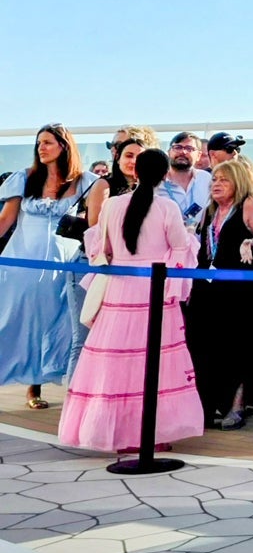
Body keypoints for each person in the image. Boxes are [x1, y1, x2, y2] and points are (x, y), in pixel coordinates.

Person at [59, 149, 206, 454]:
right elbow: (181, 249)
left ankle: (118, 432)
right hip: (155, 292)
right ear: (165, 174)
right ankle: (154, 432)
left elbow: (101, 246)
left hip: (119, 291)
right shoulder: (167, 207)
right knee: (155, 362)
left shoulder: (113, 205)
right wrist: (192, 236)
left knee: (115, 364)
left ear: (135, 172)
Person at [0, 125, 97, 406]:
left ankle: (38, 386)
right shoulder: (24, 178)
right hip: (22, 264)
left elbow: (94, 224)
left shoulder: (86, 181)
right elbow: (6, 220)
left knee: (57, 324)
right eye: (39, 143)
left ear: (64, 146)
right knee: (14, 320)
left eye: (47, 143)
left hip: (64, 264)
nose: (41, 148)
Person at [188, 159, 253, 429]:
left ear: (238, 181)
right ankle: (207, 407)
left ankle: (237, 406)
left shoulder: (249, 204)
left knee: (240, 348)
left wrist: (250, 241)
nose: (216, 184)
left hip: (241, 292)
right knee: (205, 348)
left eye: (224, 180)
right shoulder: (208, 211)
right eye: (214, 179)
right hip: (208, 290)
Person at [71, 134, 156, 384]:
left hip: (126, 273)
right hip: (93, 265)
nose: (133, 162)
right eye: (129, 155)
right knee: (85, 333)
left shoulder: (150, 191)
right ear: (117, 157)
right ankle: (76, 393)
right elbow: (97, 229)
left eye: (139, 157)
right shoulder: (104, 186)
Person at [161, 132, 212, 228]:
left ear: (198, 155)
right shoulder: (156, 182)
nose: (183, 152)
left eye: (189, 149)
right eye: (178, 147)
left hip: (199, 242)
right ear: (169, 152)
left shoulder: (207, 179)